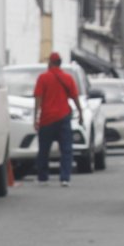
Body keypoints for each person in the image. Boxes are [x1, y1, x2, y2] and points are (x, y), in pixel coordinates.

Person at [33, 51, 81, 187]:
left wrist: (35, 118)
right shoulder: (68, 78)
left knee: (44, 150)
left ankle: (43, 178)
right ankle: (64, 178)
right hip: (63, 117)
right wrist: (81, 113)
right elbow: (75, 97)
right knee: (66, 149)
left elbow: (38, 98)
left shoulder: (43, 78)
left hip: (46, 119)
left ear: (50, 63)